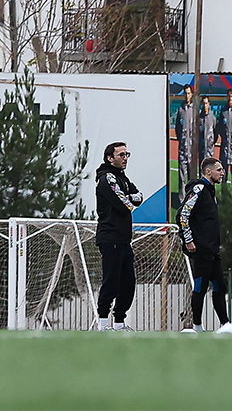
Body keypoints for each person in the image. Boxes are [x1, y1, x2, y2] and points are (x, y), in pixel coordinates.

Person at [94, 141, 144, 331]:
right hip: (110, 238)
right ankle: (103, 322)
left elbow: (139, 196)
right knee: (111, 281)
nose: (125, 158)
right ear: (110, 158)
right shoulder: (107, 178)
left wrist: (129, 197)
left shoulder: (122, 178)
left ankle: (119, 323)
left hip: (124, 239)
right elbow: (126, 204)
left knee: (128, 283)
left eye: (126, 154)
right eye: (121, 155)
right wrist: (129, 198)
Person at [178, 156, 229, 332]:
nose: (222, 173)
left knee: (219, 286)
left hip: (212, 249)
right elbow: (182, 214)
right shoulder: (199, 188)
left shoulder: (210, 191)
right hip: (201, 248)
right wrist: (189, 240)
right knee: (200, 286)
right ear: (208, 172)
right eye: (219, 169)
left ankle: (225, 324)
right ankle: (197, 326)